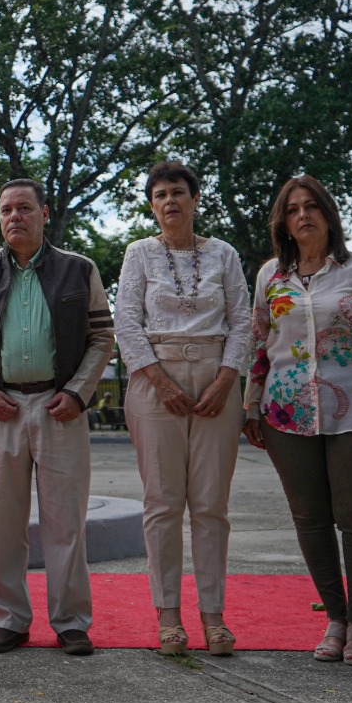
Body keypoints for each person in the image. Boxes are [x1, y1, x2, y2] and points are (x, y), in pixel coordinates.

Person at [243, 174, 352, 667]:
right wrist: (251, 405)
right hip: (287, 415)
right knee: (310, 521)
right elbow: (258, 344)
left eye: (312, 206)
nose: (303, 215)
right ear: (283, 222)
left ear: (329, 215)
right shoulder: (270, 276)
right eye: (293, 209)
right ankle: (335, 618)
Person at [0, 179, 116, 655]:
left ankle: (70, 622)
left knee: (66, 521)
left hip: (59, 407)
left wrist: (78, 393)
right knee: (0, 522)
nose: (14, 217)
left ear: (44, 213)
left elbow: (102, 337)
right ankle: (9, 619)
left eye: (24, 208)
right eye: (5, 210)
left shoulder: (78, 269)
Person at [114, 161, 252, 657]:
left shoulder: (223, 254)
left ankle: (213, 616)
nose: (169, 201)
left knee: (211, 506)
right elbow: (126, 322)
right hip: (156, 382)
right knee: (163, 504)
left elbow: (243, 321)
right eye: (159, 195)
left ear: (195, 199)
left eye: (177, 192)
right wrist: (158, 379)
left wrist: (227, 378)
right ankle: (167, 615)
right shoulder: (139, 254)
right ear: (151, 206)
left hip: (217, 380)